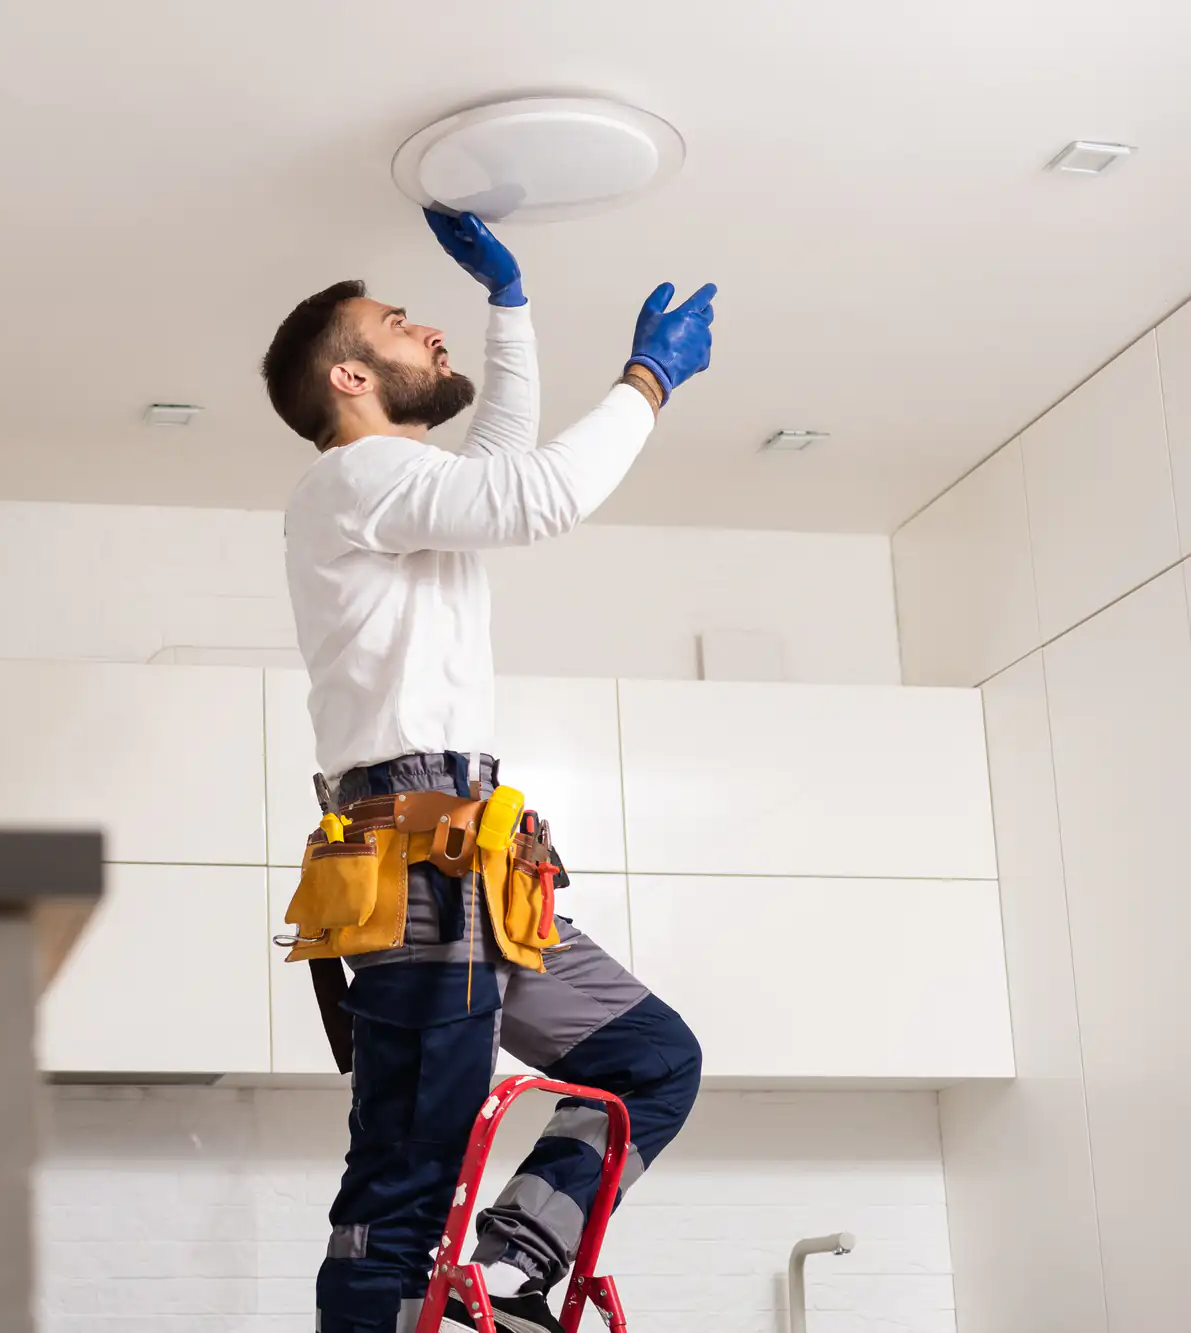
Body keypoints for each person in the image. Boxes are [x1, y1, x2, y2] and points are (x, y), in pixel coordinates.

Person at [260, 209, 717, 1333]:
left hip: (482, 862)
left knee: (649, 1061)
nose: (429, 328)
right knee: (401, 1185)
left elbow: (504, 465)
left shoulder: (401, 498)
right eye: (398, 323)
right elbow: (538, 496)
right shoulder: (348, 484)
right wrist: (646, 381)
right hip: (415, 867)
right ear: (354, 375)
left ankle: (508, 1268)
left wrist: (510, 309)